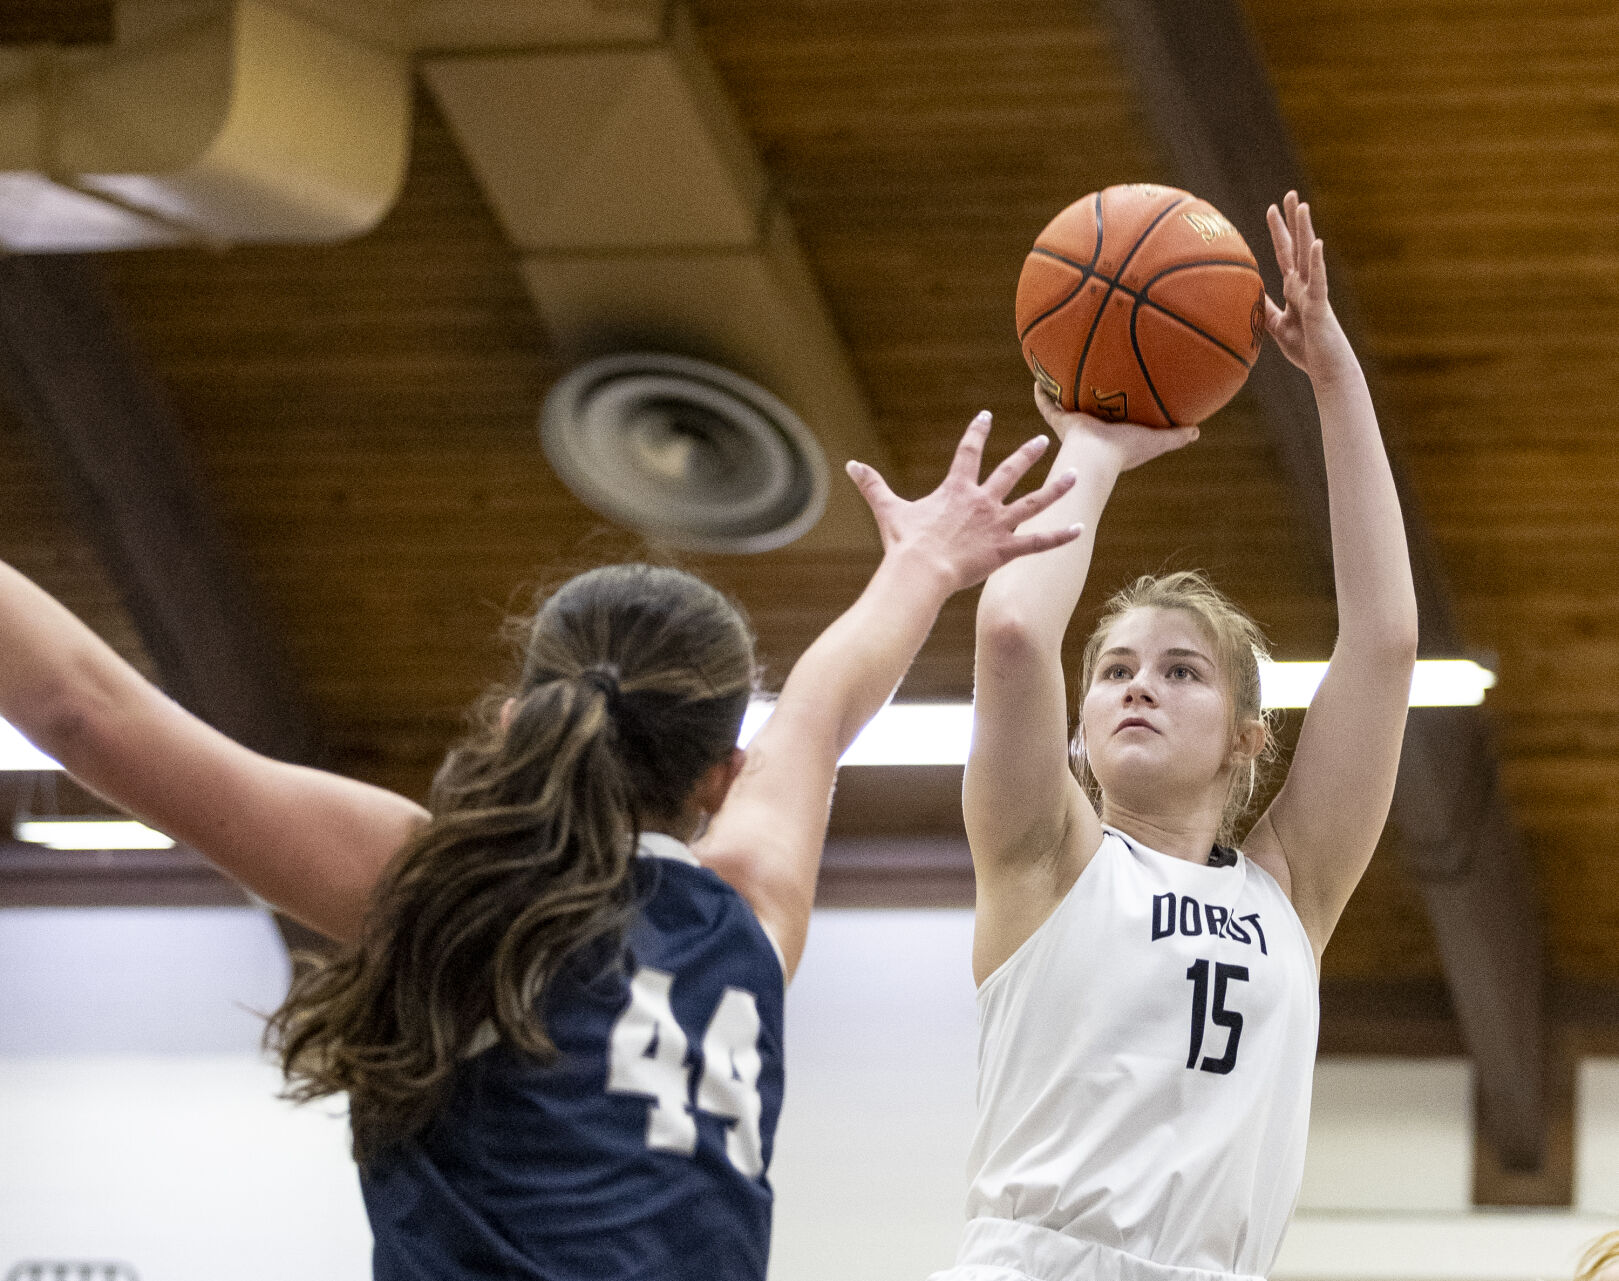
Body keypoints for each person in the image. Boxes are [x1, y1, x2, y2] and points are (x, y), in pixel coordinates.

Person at [0, 411, 1080, 1280]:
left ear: (517, 722)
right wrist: (924, 565)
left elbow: (87, 709)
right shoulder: (747, 912)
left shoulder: (437, 886)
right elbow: (821, 707)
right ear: (719, 777)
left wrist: (924, 566)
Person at [946, 191, 1419, 1281]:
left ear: (1248, 739)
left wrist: (1333, 379)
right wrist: (1092, 448)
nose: (1135, 689)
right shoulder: (1043, 859)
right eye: (1112, 670)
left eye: (1177, 671)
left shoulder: (1287, 893)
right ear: (1077, 732)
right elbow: (1016, 631)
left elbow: (1384, 643)